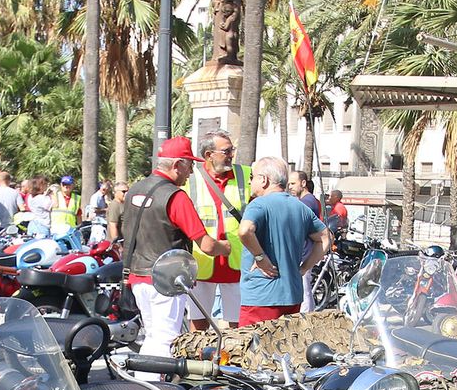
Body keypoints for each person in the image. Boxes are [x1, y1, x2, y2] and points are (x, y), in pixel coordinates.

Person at [120, 136, 219, 364]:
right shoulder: (175, 197)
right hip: (166, 279)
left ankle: (145, 382)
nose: (191, 172)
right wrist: (224, 247)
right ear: (177, 165)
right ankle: (156, 389)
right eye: (189, 165)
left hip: (138, 276)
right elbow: (205, 243)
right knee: (166, 339)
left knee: (153, 335)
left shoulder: (135, 189)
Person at [236, 157, 328, 326]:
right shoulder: (300, 207)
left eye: (252, 177)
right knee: (285, 349)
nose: (250, 182)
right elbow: (325, 237)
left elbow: (245, 230)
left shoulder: (258, 204)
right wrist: (304, 267)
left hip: (261, 296)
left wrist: (260, 257)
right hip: (292, 295)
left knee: (253, 350)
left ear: (263, 180)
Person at [183, 129, 249, 328]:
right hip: (201, 265)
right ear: (208, 155)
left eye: (231, 150)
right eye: (226, 151)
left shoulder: (245, 174)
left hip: (236, 264)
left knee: (239, 326)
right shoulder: (190, 179)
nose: (231, 155)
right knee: (198, 325)